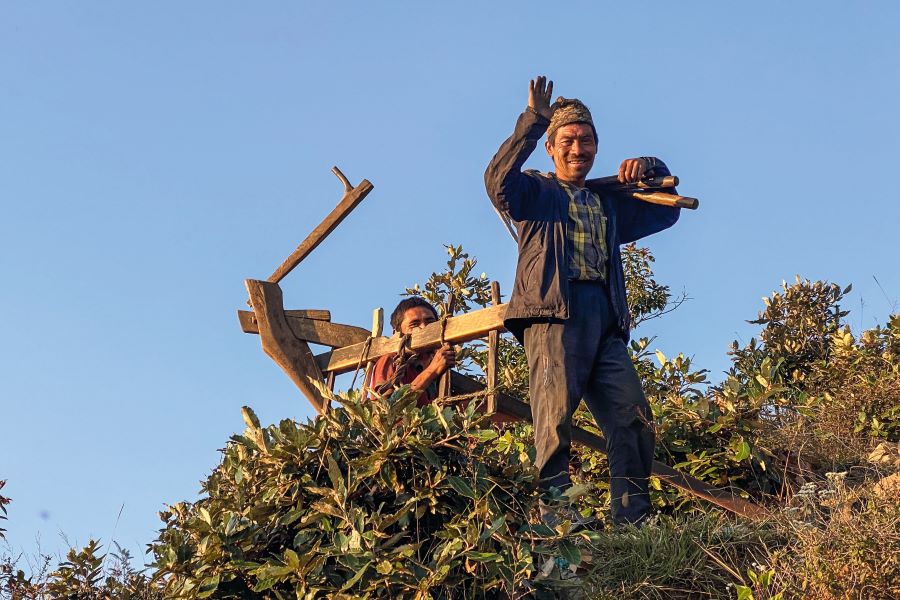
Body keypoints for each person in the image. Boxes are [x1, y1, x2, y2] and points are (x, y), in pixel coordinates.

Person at [484, 76, 681, 525]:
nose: (579, 148)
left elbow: (667, 209)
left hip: (605, 319)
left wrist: (649, 166)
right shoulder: (535, 192)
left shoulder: (606, 201)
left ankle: (632, 520)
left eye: (587, 139)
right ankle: (555, 520)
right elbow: (497, 182)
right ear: (551, 148)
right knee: (553, 420)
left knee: (633, 419)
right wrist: (532, 122)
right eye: (568, 139)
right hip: (555, 313)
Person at [367, 297, 456, 405]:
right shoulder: (391, 360)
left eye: (430, 322)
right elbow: (385, 410)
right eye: (414, 324)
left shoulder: (443, 367)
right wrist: (433, 370)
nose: (423, 327)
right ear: (397, 332)